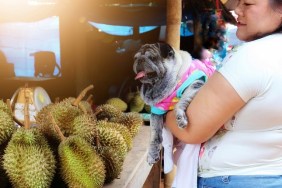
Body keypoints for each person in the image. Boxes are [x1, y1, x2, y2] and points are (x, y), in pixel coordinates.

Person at [165, 0, 282, 187]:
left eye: (248, 4)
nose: (237, 10)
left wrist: (163, 115)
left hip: (233, 180)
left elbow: (192, 128)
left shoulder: (255, 57)